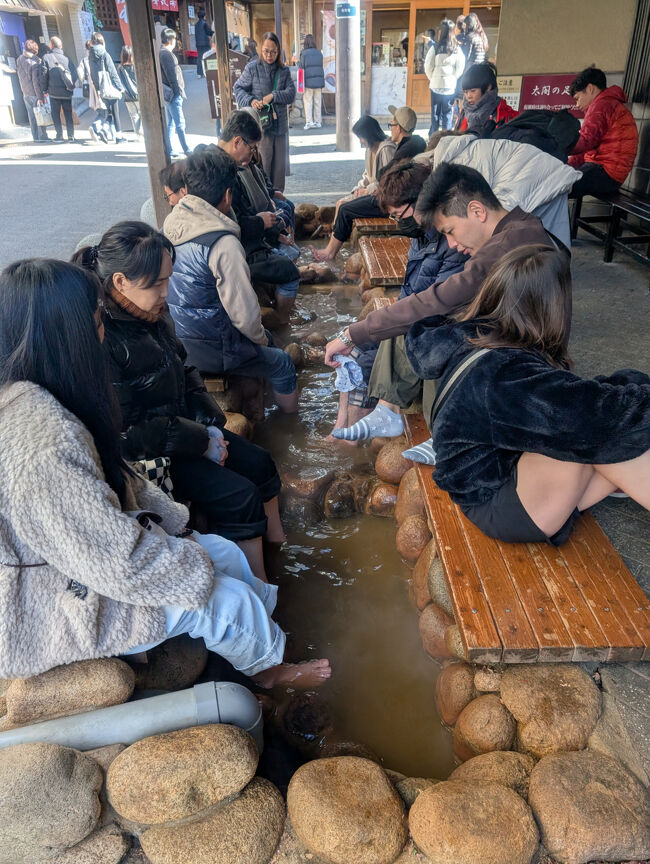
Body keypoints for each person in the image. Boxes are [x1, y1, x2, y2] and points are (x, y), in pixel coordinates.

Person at [0, 257, 331, 688]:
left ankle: (262, 628)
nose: (103, 333)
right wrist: (189, 561)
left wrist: (178, 528)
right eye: (96, 323)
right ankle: (268, 672)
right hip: (54, 601)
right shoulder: (44, 448)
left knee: (226, 554)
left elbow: (121, 491)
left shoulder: (42, 395)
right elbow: (116, 564)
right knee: (220, 599)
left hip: (86, 558)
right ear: (67, 338)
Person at [74, 222, 287, 586]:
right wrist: (201, 441)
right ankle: (263, 592)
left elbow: (184, 365)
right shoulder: (102, 336)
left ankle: (280, 547)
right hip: (153, 455)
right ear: (121, 281)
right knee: (240, 498)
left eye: (168, 279)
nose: (166, 292)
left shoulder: (151, 312)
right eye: (157, 283)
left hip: (185, 431)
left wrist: (211, 425)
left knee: (261, 462)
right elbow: (129, 433)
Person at [404, 244, 650, 544]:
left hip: (503, 481)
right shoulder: (505, 371)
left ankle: (622, 474)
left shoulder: (478, 338)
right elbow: (589, 418)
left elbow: (572, 401)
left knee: (608, 427)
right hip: (498, 506)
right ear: (552, 307)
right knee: (601, 433)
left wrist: (627, 385)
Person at [326, 163, 568, 446]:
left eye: (451, 231)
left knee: (425, 328)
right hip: (510, 343)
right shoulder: (519, 227)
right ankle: (389, 411)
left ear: (477, 211)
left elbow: (439, 300)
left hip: (519, 361)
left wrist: (352, 334)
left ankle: (438, 436)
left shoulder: (503, 248)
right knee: (412, 318)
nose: (451, 244)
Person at [328, 160, 467, 439]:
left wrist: (361, 332)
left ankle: (357, 439)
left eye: (398, 214)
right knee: (351, 351)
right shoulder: (421, 233)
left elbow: (434, 305)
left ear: (422, 201)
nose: (397, 222)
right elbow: (411, 296)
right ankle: (341, 426)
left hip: (432, 331)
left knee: (357, 356)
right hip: (414, 319)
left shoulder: (453, 242)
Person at [163, 148, 299, 413]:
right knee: (283, 364)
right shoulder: (222, 243)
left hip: (179, 341)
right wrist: (261, 341)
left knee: (269, 340)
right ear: (227, 195)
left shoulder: (170, 224)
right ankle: (291, 426)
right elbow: (245, 317)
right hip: (211, 350)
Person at [416, 129, 581, 249]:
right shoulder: (446, 159)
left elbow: (494, 213)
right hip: (530, 178)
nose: (452, 244)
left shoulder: (462, 162)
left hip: (539, 182)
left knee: (537, 249)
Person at [312, 105, 426, 262]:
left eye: (392, 125)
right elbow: (369, 176)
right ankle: (332, 245)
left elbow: (386, 182)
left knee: (345, 209)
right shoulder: (401, 146)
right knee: (343, 205)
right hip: (384, 196)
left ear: (398, 128)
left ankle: (330, 253)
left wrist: (367, 191)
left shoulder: (390, 149)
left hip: (386, 199)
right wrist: (359, 189)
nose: (390, 129)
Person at [218, 111, 300, 322]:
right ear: (237, 142)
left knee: (289, 249)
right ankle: (283, 322)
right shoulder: (224, 170)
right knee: (291, 272)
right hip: (238, 250)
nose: (251, 155)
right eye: (251, 148)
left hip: (243, 243)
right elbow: (234, 223)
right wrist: (261, 222)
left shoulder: (224, 165)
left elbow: (241, 215)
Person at [233, 32, 295, 192]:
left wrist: (273, 96)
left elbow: (291, 93)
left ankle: (280, 199)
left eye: (273, 51)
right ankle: (266, 201)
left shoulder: (284, 70)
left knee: (279, 168)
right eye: (266, 50)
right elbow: (238, 88)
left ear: (278, 51)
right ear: (261, 49)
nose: (269, 55)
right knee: (264, 165)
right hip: (261, 127)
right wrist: (251, 101)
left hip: (280, 126)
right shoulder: (252, 68)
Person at [568, 66, 639, 198]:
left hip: (606, 172)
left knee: (560, 187)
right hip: (610, 172)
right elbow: (586, 147)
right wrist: (566, 165)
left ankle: (549, 219)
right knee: (561, 181)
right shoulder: (608, 103)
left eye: (577, 98)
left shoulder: (601, 105)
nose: (577, 105)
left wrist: (559, 148)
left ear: (590, 88)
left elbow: (585, 141)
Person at [424, 19, 465, 135]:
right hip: (450, 87)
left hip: (435, 86)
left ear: (440, 32)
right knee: (447, 114)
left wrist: (433, 78)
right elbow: (460, 68)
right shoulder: (457, 49)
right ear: (452, 32)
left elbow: (428, 65)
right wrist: (453, 78)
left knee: (435, 114)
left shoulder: (435, 47)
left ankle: (433, 137)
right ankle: (446, 138)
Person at [455, 62, 517, 136]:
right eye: (466, 92)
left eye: (473, 91)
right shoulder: (464, 113)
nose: (468, 96)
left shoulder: (505, 115)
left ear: (488, 87)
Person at [160, 27, 191, 157]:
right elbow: (171, 75)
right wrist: (177, 92)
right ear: (171, 40)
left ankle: (170, 148)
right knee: (179, 123)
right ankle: (186, 149)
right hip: (172, 94)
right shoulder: (166, 54)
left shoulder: (162, 52)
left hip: (168, 93)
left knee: (172, 123)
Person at [88, 32, 125, 144]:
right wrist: (120, 87)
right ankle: (119, 137)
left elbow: (93, 73)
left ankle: (104, 129)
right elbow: (112, 72)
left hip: (101, 88)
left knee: (108, 112)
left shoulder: (91, 56)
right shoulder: (105, 54)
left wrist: (98, 88)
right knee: (115, 113)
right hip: (110, 87)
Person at [42, 37, 77, 143]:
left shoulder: (46, 57)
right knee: (68, 113)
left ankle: (59, 135)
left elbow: (44, 75)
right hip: (67, 91)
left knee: (55, 113)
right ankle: (71, 135)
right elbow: (74, 74)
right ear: (61, 46)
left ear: (51, 45)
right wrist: (70, 85)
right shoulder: (67, 59)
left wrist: (44, 89)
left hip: (53, 92)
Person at [16, 39, 49, 143]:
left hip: (25, 92)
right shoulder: (35, 61)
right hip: (35, 92)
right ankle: (43, 136)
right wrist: (40, 97)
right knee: (40, 113)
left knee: (31, 116)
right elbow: (36, 81)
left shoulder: (19, 59)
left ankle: (35, 137)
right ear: (34, 49)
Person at [299, 34, 324, 130]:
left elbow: (301, 67)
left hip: (308, 82)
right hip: (318, 82)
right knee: (318, 101)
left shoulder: (303, 53)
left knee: (308, 102)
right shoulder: (319, 53)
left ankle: (309, 122)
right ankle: (318, 122)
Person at [117, 45, 141, 135]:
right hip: (138, 94)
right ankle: (142, 131)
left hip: (127, 96)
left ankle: (138, 133)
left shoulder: (119, 68)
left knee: (133, 115)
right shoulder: (135, 67)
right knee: (142, 114)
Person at [195, 9, 213, 78]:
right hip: (205, 43)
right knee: (207, 57)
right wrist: (214, 33)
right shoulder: (204, 23)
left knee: (199, 58)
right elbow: (208, 32)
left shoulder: (196, 24)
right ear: (204, 16)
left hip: (198, 44)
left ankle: (199, 73)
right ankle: (207, 72)